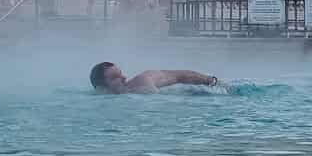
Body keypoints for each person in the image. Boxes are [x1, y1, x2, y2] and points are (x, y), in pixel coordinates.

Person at [89, 61, 224, 94]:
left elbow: (179, 76)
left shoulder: (143, 81)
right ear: (101, 87)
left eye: (121, 73)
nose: (124, 78)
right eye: (115, 77)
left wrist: (212, 81)